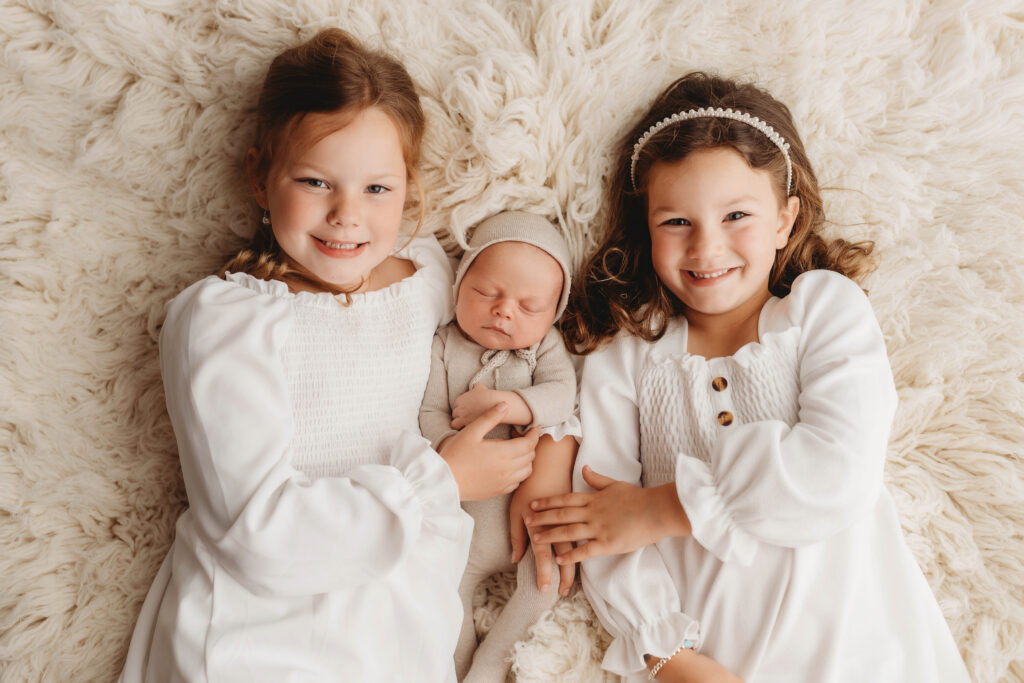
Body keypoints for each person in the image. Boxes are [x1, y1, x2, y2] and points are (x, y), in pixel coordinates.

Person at [118, 29, 540, 683]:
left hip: (394, 633)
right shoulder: (226, 321)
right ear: (260, 178)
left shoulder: (428, 279)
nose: (347, 215)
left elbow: (533, 320)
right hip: (256, 636)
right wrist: (442, 482)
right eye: (316, 182)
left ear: (408, 188)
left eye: (377, 189)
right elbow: (258, 533)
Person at [525, 72, 972, 682]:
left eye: (736, 215)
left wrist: (663, 508)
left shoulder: (822, 311)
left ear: (786, 220)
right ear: (645, 227)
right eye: (676, 222)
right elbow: (600, 522)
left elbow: (838, 466)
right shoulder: (627, 357)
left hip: (869, 653)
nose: (706, 249)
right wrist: (669, 657)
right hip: (714, 665)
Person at [419, 210, 580, 682]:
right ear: (458, 285)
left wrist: (509, 405)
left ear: (553, 315)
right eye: (487, 292)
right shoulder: (444, 344)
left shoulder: (543, 347)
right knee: (443, 593)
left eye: (529, 307)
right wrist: (450, 446)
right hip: (461, 525)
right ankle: (457, 669)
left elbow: (562, 395)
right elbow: (428, 412)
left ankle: (491, 664)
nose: (504, 311)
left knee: (545, 583)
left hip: (529, 521)